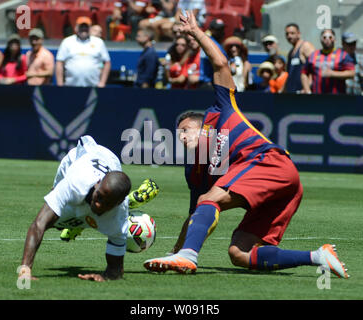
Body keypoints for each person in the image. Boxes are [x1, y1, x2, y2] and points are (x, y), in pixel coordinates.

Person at [143, 11, 349, 279]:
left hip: (270, 162)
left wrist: (196, 32)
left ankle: (189, 257)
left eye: (184, 130)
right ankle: (319, 257)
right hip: (282, 187)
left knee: (210, 200)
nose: (181, 138)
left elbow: (220, 63)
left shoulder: (221, 109)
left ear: (199, 122)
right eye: (178, 135)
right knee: (240, 253)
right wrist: (174, 251)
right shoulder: (196, 171)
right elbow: (196, 214)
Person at [17, 135, 159, 282]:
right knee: (55, 221)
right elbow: (38, 224)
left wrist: (105, 276)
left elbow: (115, 272)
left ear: (118, 204)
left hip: (111, 164)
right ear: (97, 184)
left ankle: (81, 221)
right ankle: (78, 222)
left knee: (96, 216)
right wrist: (25, 270)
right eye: (99, 197)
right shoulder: (74, 183)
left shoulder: (119, 216)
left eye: (105, 203)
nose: (97, 204)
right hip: (79, 157)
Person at [56, 16, 111, 88]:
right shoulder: (67, 42)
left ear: (90, 28)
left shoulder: (98, 42)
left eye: (86, 27)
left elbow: (107, 62)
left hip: (93, 87)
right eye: (81, 26)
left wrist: (102, 83)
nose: (84, 29)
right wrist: (60, 84)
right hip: (70, 87)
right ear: (76, 28)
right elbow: (59, 63)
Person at [301, 29, 355, 94]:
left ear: (334, 39)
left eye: (330, 37)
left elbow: (351, 73)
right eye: (324, 37)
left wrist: (333, 74)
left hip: (337, 99)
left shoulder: (343, 55)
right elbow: (304, 73)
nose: (327, 39)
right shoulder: (313, 55)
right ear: (321, 40)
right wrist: (307, 90)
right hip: (317, 98)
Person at [283, 23, 315, 93]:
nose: (289, 36)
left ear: (299, 34)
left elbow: (314, 69)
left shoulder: (305, 46)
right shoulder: (291, 52)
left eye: (292, 33)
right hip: (292, 93)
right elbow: (289, 75)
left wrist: (306, 88)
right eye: (287, 34)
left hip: (302, 93)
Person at [199, 18, 227, 88]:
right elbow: (217, 62)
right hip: (209, 83)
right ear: (211, 30)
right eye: (218, 30)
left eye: (222, 29)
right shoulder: (210, 43)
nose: (221, 32)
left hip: (215, 82)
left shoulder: (216, 43)